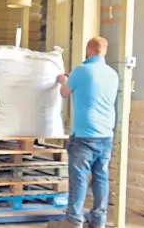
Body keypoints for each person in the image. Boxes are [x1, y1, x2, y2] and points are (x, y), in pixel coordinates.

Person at [49, 37, 119, 228]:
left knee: (78, 179)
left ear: (88, 50)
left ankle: (73, 220)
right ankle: (98, 220)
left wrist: (64, 79)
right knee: (101, 178)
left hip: (84, 135)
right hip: (106, 135)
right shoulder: (113, 74)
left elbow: (64, 92)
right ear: (104, 52)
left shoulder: (81, 70)